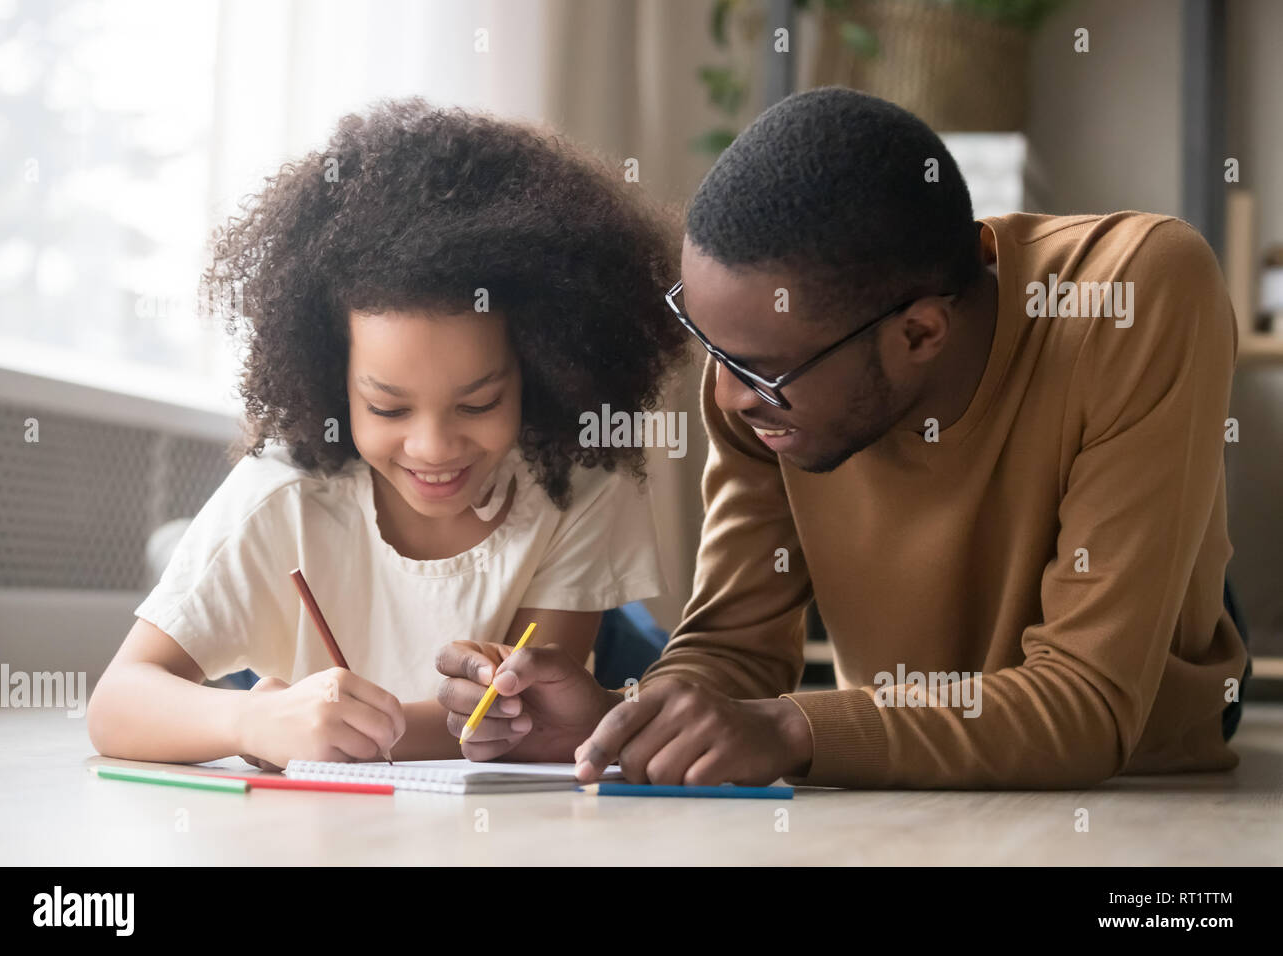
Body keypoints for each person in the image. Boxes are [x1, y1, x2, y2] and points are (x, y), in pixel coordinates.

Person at [437, 87, 1249, 790]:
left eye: (759, 368)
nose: (725, 396)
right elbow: (731, 653)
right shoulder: (765, 376)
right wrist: (620, 721)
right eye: (709, 347)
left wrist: (793, 730)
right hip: (903, 783)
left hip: (1137, 780)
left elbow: (1089, 706)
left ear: (922, 333)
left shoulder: (1132, 293)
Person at [87, 98, 683, 769]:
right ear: (330, 381)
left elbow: (526, 722)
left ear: (542, 373)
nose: (433, 447)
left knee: (648, 674)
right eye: (389, 409)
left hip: (621, 655)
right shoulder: (276, 495)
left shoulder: (579, 484)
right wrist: (253, 719)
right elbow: (116, 703)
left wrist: (372, 731)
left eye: (479, 401)